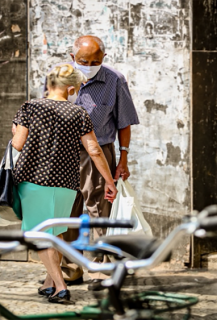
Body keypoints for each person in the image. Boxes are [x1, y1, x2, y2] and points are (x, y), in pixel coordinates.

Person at [11, 64, 117, 303]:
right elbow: (94, 150)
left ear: (49, 85)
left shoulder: (30, 107)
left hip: (34, 180)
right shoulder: (78, 113)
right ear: (71, 89)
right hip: (67, 183)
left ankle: (60, 287)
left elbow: (17, 144)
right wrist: (109, 181)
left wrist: (15, 129)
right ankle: (49, 282)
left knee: (41, 234)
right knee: (56, 233)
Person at [54, 35, 139, 289]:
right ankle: (70, 270)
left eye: (95, 60)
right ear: (72, 58)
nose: (89, 64)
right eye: (83, 61)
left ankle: (102, 269)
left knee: (100, 211)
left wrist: (123, 158)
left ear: (103, 58)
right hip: (63, 154)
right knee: (65, 213)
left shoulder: (114, 80)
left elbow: (124, 123)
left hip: (99, 153)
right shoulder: (59, 77)